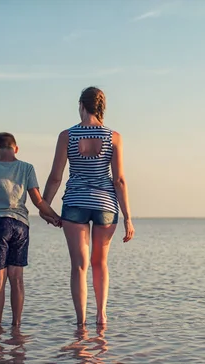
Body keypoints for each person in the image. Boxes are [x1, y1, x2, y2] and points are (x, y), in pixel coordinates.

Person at [41, 87, 135, 326]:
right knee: (100, 264)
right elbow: (119, 180)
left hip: (75, 203)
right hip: (105, 205)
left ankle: (81, 322)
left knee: (79, 267)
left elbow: (55, 177)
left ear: (81, 105)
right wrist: (128, 217)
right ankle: (101, 316)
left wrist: (44, 205)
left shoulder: (67, 136)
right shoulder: (113, 137)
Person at [0, 132, 61, 328]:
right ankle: (17, 326)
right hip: (20, 226)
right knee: (17, 279)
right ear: (16, 148)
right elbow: (38, 201)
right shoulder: (27, 168)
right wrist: (55, 217)